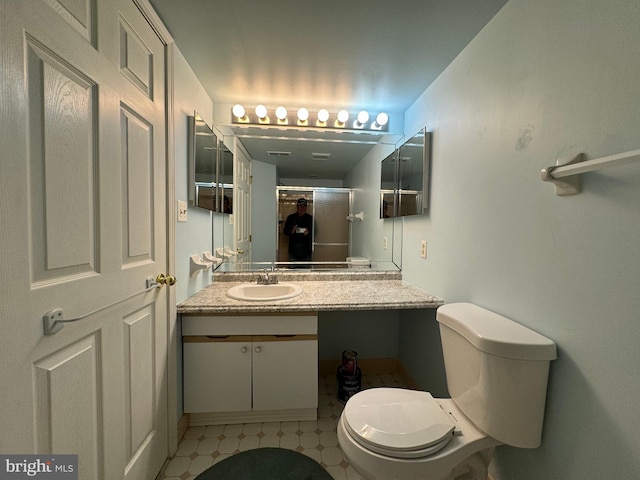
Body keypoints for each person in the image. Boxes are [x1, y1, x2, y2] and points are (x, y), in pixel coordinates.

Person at [283, 198, 313, 263]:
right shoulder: (291, 218)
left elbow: (315, 232)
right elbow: (285, 231)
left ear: (306, 207)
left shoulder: (310, 218)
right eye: (300, 206)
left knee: (307, 273)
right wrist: (291, 231)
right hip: (293, 252)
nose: (302, 208)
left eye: (304, 206)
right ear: (297, 206)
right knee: (292, 273)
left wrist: (309, 232)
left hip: (306, 252)